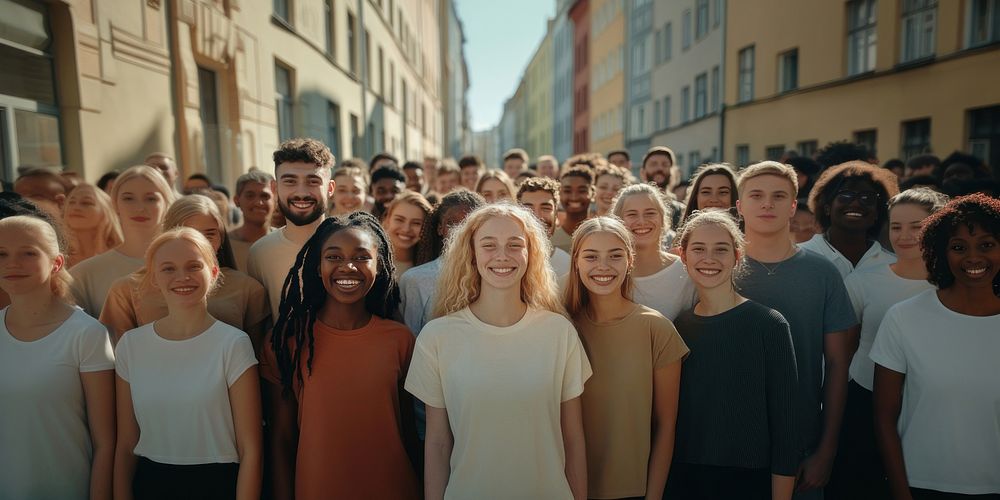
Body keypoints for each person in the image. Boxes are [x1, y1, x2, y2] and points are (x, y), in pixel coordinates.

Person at [405, 204, 591, 500]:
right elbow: (438, 443)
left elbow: (573, 438)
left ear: (531, 254)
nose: (502, 255)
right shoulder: (437, 337)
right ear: (472, 254)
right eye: (489, 245)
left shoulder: (559, 332)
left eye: (514, 245)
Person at [263, 213, 420, 500]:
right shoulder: (287, 342)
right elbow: (281, 440)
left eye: (362, 257)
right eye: (333, 257)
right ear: (317, 266)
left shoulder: (400, 340)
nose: (348, 266)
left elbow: (410, 434)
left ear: (380, 265)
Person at [735, 161, 856, 499]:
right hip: (728, 440)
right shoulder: (717, 268)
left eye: (778, 196)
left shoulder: (822, 272)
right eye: (756, 195)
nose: (767, 204)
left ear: (792, 206)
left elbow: (837, 364)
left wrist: (826, 451)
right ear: (740, 206)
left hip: (801, 443)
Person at [113, 228, 261, 500]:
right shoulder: (130, 346)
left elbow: (251, 450)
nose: (182, 277)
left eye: (194, 266)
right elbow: (125, 444)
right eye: (168, 268)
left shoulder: (233, 344)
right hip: (150, 484)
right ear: (154, 278)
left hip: (217, 485)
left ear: (214, 272)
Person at [871, 193, 1000, 500]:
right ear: (941, 253)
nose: (973, 257)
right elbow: (884, 418)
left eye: (986, 245)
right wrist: (902, 494)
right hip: (922, 487)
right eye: (958, 247)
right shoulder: (904, 318)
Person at [665, 210, 800, 500]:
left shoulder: (769, 324)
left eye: (721, 249)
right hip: (686, 479)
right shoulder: (678, 327)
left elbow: (787, 424)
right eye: (698, 249)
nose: (709, 258)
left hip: (749, 480)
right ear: (683, 256)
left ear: (737, 256)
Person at [827, 188, 947, 500]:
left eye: (917, 227)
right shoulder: (863, 281)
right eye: (896, 226)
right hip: (864, 401)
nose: (904, 236)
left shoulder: (952, 285)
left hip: (928, 407)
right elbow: (843, 351)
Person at [565, 216, 687, 499]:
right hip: (565, 487)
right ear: (576, 262)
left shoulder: (656, 329)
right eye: (591, 256)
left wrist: (653, 496)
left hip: (633, 491)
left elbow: (666, 427)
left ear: (630, 260)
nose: (603, 266)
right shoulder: (561, 327)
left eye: (615, 256)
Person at [0, 215, 115, 499]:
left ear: (57, 263)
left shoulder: (87, 334)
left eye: (28, 252)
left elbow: (106, 443)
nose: (12, 263)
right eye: (1, 254)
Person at [100, 195, 269, 350]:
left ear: (222, 237)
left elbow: (258, 359)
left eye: (210, 234)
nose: (200, 244)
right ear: (169, 234)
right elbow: (117, 358)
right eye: (190, 234)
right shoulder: (126, 290)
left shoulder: (248, 289)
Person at [247, 138, 335, 320]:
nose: (301, 193)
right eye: (290, 182)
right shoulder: (260, 252)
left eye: (313, 181)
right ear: (274, 187)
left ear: (330, 188)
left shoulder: (355, 245)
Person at [70, 165, 175, 317]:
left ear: (166, 204)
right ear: (115, 204)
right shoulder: (84, 275)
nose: (139, 208)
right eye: (128, 198)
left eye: (151, 199)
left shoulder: (191, 265)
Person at [400, 190, 485, 336]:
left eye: (468, 224)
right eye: (452, 223)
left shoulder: (493, 274)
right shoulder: (415, 279)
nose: (459, 231)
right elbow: (413, 338)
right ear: (440, 228)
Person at [611, 183, 697, 320]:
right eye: (632, 214)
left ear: (663, 219)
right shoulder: (609, 273)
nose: (642, 221)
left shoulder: (686, 271)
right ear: (618, 222)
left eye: (650, 213)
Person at [801, 161, 900, 279]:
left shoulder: (894, 266)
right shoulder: (800, 257)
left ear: (877, 212)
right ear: (827, 208)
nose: (856, 203)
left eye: (867, 197)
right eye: (845, 195)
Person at [517, 177, 573, 277]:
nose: (537, 216)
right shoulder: (507, 262)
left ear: (556, 215)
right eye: (528, 209)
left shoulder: (569, 266)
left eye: (546, 208)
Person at [62, 183, 123, 268]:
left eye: (86, 203)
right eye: (71, 202)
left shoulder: (122, 255)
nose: (76, 207)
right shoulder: (55, 253)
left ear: (105, 211)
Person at [229, 169, 275, 271]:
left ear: (275, 200)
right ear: (237, 201)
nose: (259, 202)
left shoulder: (284, 241)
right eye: (250, 196)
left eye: (265, 196)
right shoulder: (225, 246)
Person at [382, 191, 432, 277]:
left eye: (416, 223)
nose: (406, 229)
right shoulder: (370, 261)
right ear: (387, 220)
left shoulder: (432, 267)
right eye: (399, 220)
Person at [639, 147, 686, 228]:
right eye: (653, 164)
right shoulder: (633, 205)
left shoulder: (682, 212)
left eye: (665, 164)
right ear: (643, 172)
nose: (659, 168)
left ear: (673, 172)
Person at [552, 166, 595, 253]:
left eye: (582, 191)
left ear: (593, 193)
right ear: (559, 194)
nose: (574, 197)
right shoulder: (549, 242)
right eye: (567, 191)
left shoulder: (603, 237)